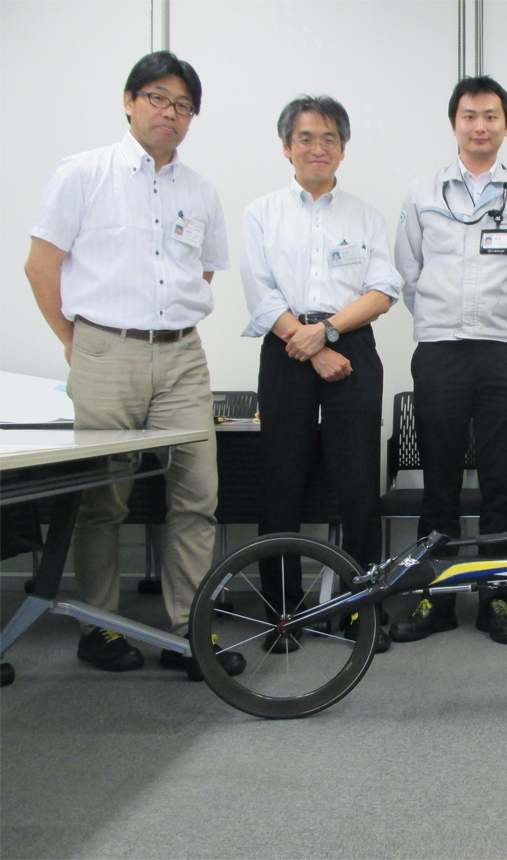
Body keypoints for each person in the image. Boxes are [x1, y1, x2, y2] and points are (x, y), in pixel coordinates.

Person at [24, 52, 243, 679]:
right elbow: (41, 267)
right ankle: (99, 628)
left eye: (183, 105)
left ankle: (188, 631)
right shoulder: (83, 173)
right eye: (157, 98)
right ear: (129, 101)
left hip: (182, 355)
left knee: (197, 496)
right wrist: (77, 343)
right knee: (103, 498)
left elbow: (200, 273)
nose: (170, 112)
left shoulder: (199, 191)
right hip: (105, 349)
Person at [240, 95, 402, 654]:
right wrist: (310, 346)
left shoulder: (365, 215)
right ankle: (281, 613)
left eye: (329, 138)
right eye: (305, 138)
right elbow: (260, 293)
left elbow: (384, 290)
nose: (317, 148)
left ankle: (359, 610)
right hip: (285, 346)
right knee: (280, 484)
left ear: (343, 148)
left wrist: (328, 333)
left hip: (350, 345)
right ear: (287, 147)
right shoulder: (261, 213)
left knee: (358, 485)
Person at [392, 76, 507, 645]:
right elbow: (408, 272)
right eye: (469, 116)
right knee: (439, 483)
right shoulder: (421, 193)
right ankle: (435, 597)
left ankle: (495, 597)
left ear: (506, 125)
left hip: (504, 353)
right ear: (454, 123)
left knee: (500, 483)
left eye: (490, 116)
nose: (480, 126)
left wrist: (505, 328)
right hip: (440, 352)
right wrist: (440, 322)